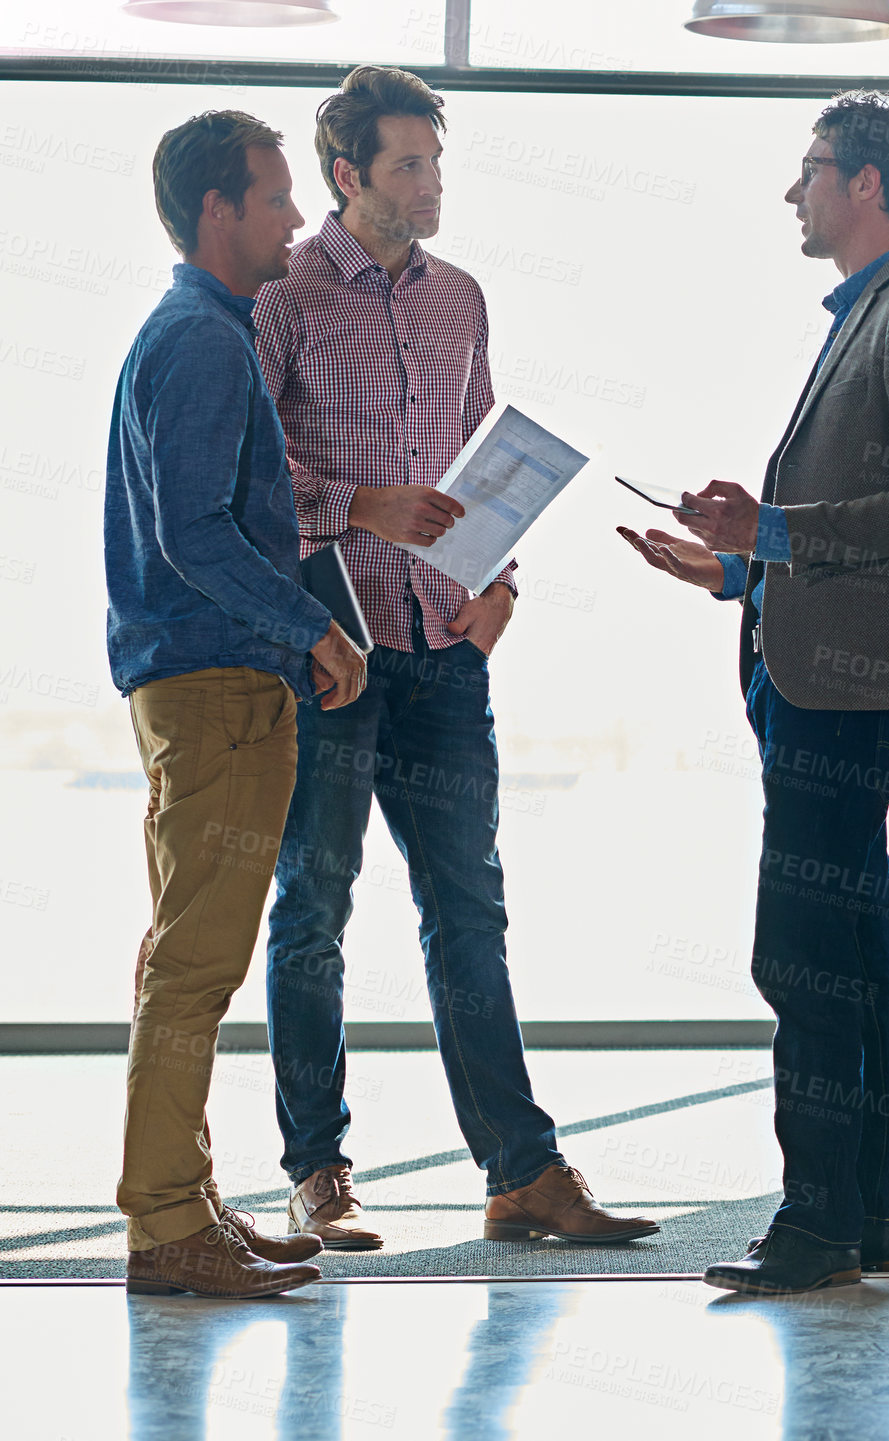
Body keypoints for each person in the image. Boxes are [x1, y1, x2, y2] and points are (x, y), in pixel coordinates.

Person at [254, 65, 657, 1250]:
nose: (431, 183)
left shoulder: (460, 300)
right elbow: (244, 478)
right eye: (408, 165)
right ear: (347, 175)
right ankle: (317, 1171)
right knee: (314, 911)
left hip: (446, 649)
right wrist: (356, 507)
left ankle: (522, 1173)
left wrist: (503, 584)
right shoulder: (280, 295)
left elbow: (484, 464)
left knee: (469, 914)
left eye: (437, 161)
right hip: (333, 652)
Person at [620, 90, 889, 1295]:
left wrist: (771, 525)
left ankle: (820, 1221)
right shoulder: (874, 312)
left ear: (866, 183)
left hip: (846, 692)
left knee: (801, 952)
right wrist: (736, 565)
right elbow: (863, 515)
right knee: (862, 947)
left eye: (811, 169)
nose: (795, 191)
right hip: (814, 675)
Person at [107, 109, 369, 1299]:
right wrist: (308, 622)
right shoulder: (206, 345)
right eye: (276, 195)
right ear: (218, 209)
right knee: (197, 966)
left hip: (204, 681)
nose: (298, 216)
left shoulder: (196, 331)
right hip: (216, 686)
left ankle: (188, 1198)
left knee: (192, 956)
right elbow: (194, 532)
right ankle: (167, 1221)